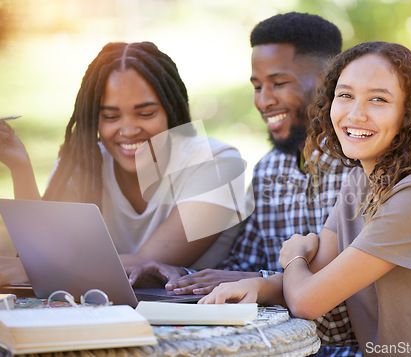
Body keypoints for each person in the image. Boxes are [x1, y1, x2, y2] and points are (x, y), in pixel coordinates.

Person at [200, 41, 411, 357]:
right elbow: (317, 276)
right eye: (345, 96)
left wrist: (293, 257)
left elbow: (307, 300)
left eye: (378, 100)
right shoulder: (362, 179)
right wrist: (258, 288)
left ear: (409, 114)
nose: (356, 114)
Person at [129, 12, 362, 356]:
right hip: (279, 344)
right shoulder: (269, 168)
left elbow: (348, 287)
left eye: (279, 83)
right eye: (257, 86)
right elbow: (244, 263)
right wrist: (177, 276)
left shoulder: (362, 170)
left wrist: (258, 281)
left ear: (329, 81)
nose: (263, 100)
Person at [0, 41, 243, 286]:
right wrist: (20, 168)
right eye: (111, 116)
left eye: (146, 114)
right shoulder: (85, 162)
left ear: (171, 110)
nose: (128, 130)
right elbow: (40, 249)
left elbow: (148, 265)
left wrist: (35, 268)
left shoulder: (217, 165)